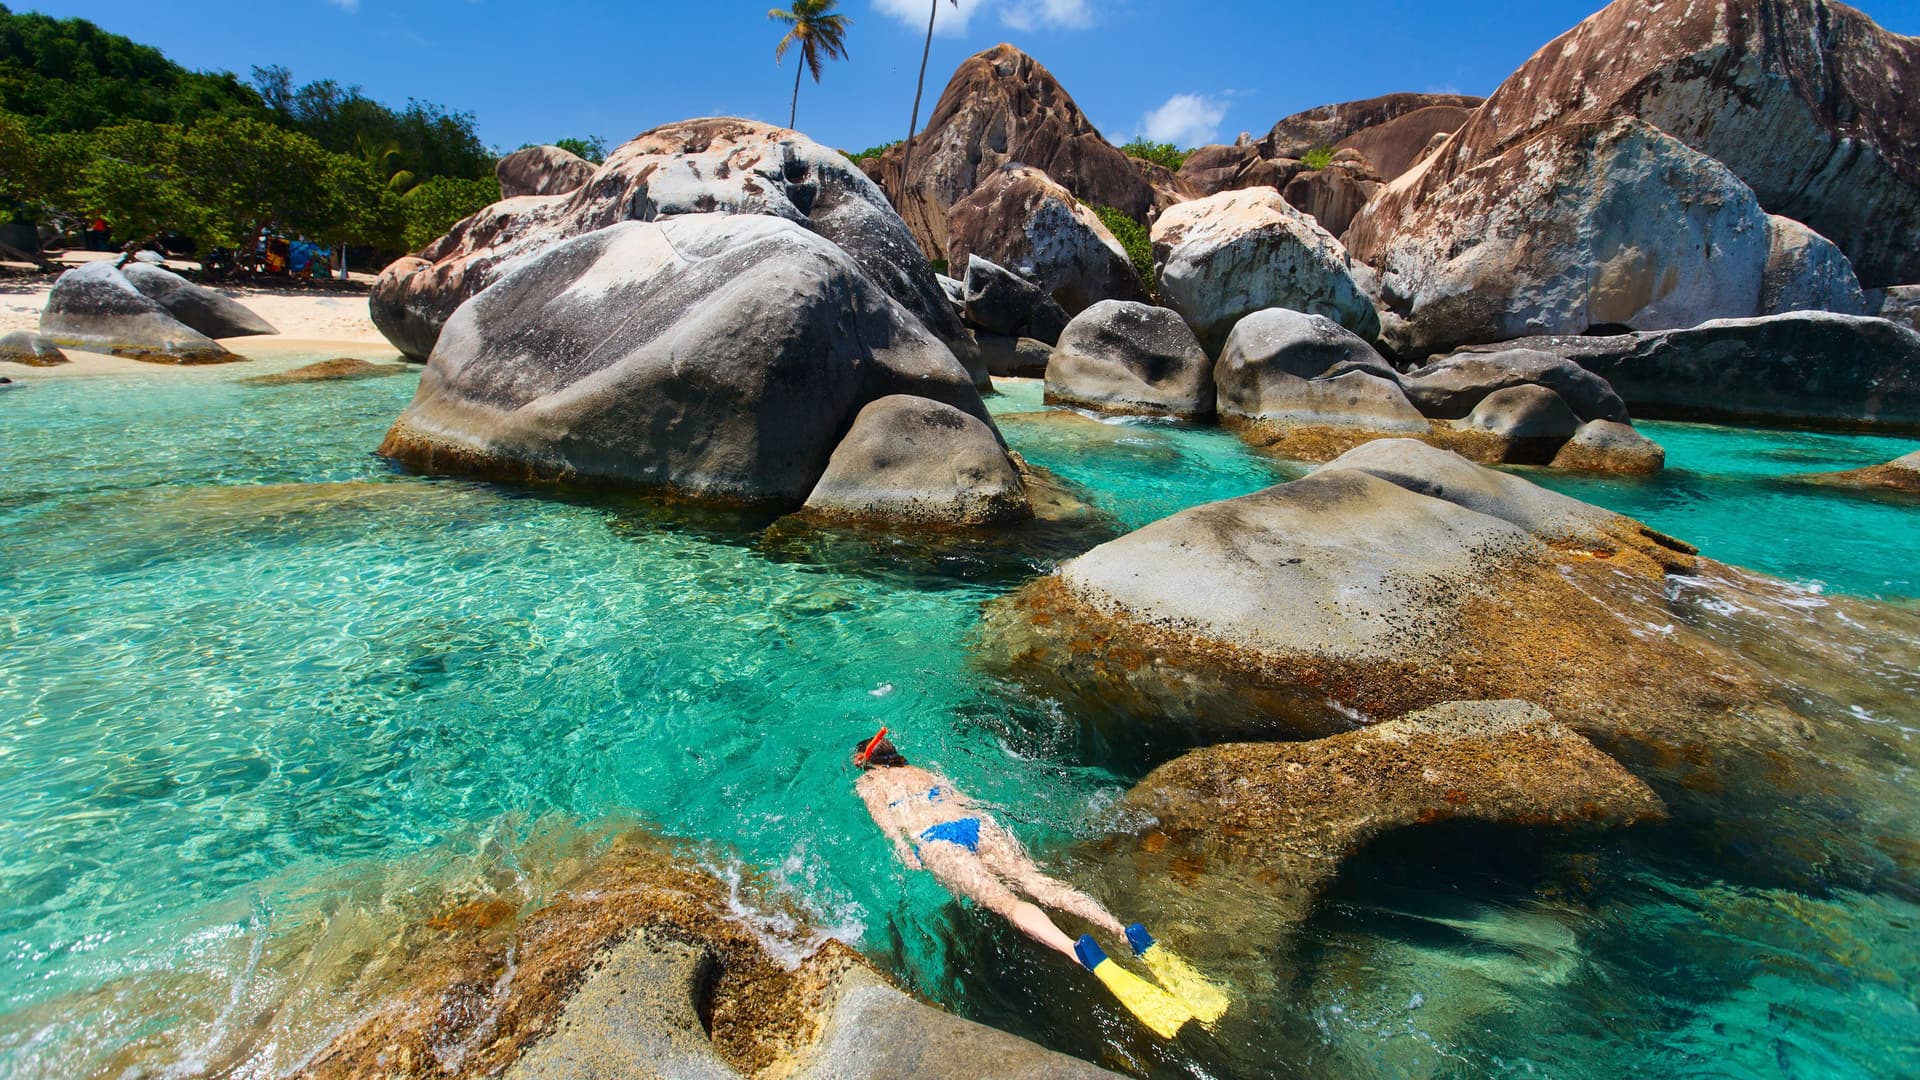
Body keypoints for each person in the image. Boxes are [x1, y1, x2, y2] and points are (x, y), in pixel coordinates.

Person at [851, 729, 1228, 1037]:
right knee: (1036, 881)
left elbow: (887, 823)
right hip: (976, 824)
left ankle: (1076, 951)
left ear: (864, 761)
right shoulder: (923, 770)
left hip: (936, 840)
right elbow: (962, 798)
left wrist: (903, 848)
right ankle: (1125, 932)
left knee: (1010, 904)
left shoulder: (868, 783)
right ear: (895, 754)